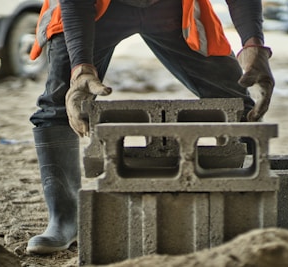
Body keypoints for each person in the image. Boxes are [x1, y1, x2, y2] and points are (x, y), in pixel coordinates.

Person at [27, 0, 274, 254]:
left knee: (235, 98)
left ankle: (268, 186)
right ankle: (64, 218)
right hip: (95, 9)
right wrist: (80, 69)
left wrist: (253, 44)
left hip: (170, 7)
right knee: (64, 100)